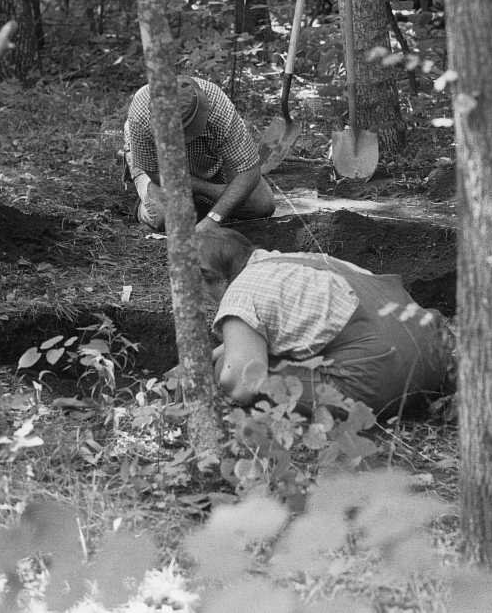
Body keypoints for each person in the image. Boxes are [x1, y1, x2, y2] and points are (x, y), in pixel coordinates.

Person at [191, 226, 455, 418]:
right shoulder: (298, 261)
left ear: (211, 276)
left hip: (378, 380)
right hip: (434, 359)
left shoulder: (240, 291)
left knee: (226, 375)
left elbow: (240, 388)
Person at [124, 75, 275, 234]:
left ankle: (200, 203)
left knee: (261, 205)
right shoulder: (140, 116)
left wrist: (214, 218)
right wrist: (211, 190)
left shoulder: (218, 106)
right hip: (160, 164)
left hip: (205, 156)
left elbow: (249, 170)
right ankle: (146, 206)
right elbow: (156, 173)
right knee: (164, 218)